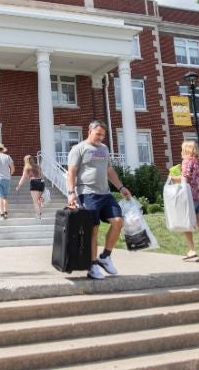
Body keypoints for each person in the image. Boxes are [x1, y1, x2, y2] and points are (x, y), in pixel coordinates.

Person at [67, 120, 132, 280]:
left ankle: (105, 256)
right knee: (93, 229)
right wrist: (71, 192)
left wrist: (121, 187)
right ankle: (92, 265)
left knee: (118, 222)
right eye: (98, 134)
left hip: (105, 194)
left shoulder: (104, 149)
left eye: (103, 135)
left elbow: (109, 169)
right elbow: (72, 171)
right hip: (87, 194)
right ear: (89, 131)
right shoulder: (79, 149)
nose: (101, 138)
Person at [172, 140, 199, 263]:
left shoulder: (187, 161)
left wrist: (172, 178)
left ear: (186, 150)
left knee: (186, 223)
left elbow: (185, 178)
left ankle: (192, 249)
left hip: (191, 197)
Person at [16, 155, 45, 219]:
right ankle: (39, 212)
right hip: (41, 182)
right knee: (38, 200)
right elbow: (42, 175)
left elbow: (23, 178)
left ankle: (38, 214)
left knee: (35, 201)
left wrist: (18, 185)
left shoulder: (27, 167)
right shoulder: (37, 166)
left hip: (34, 182)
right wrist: (43, 184)